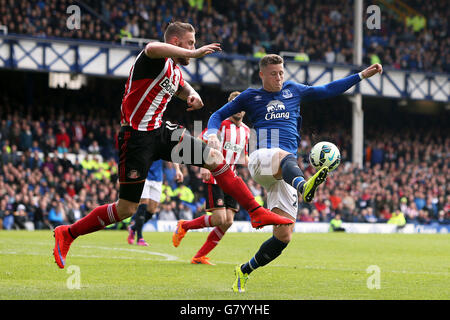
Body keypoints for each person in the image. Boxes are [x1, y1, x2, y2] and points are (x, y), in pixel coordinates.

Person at [53, 22, 293, 269]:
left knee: (214, 156)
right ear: (176, 43)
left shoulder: (174, 71)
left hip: (160, 132)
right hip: (135, 138)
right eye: (190, 42)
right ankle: (68, 233)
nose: (194, 47)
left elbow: (180, 86)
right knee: (126, 208)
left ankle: (255, 210)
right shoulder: (153, 59)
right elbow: (151, 47)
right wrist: (193, 54)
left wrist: (192, 94)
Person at [205, 54, 383, 292]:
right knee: (283, 156)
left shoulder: (293, 90)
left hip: (284, 170)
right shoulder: (250, 96)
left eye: (281, 73)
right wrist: (211, 133)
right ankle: (303, 187)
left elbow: (328, 89)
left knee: (283, 235)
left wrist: (361, 75)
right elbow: (216, 115)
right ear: (262, 75)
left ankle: (244, 270)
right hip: (261, 159)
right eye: (273, 74)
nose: (279, 78)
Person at [172, 91, 251, 265]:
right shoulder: (219, 125)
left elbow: (243, 157)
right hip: (215, 175)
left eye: (241, 106)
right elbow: (200, 141)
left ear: (244, 110)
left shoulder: (246, 131)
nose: (238, 110)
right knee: (219, 219)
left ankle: (199, 256)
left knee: (228, 221)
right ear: (230, 107)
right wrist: (204, 165)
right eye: (234, 105)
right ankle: (184, 226)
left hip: (232, 177)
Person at [127, 160, 183, 246]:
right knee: (143, 204)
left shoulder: (163, 146)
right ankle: (140, 238)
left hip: (157, 178)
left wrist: (177, 169)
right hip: (143, 174)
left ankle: (133, 228)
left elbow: (171, 153)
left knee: (151, 211)